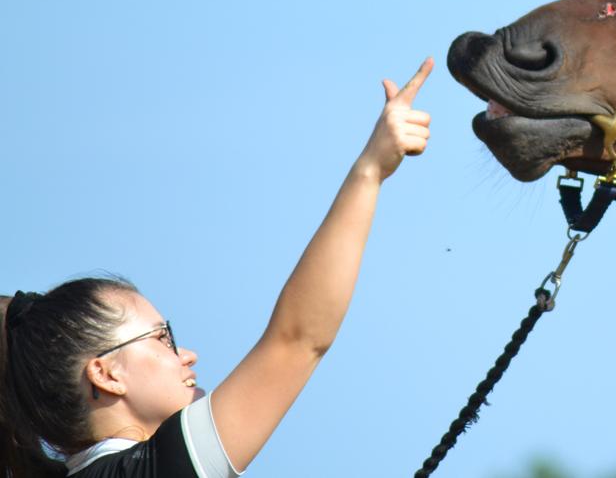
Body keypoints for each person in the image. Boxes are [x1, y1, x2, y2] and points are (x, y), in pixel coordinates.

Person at [1, 59, 434, 478]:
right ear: (106, 374)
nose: (186, 355)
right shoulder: (148, 469)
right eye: (163, 338)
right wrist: (370, 169)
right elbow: (298, 339)